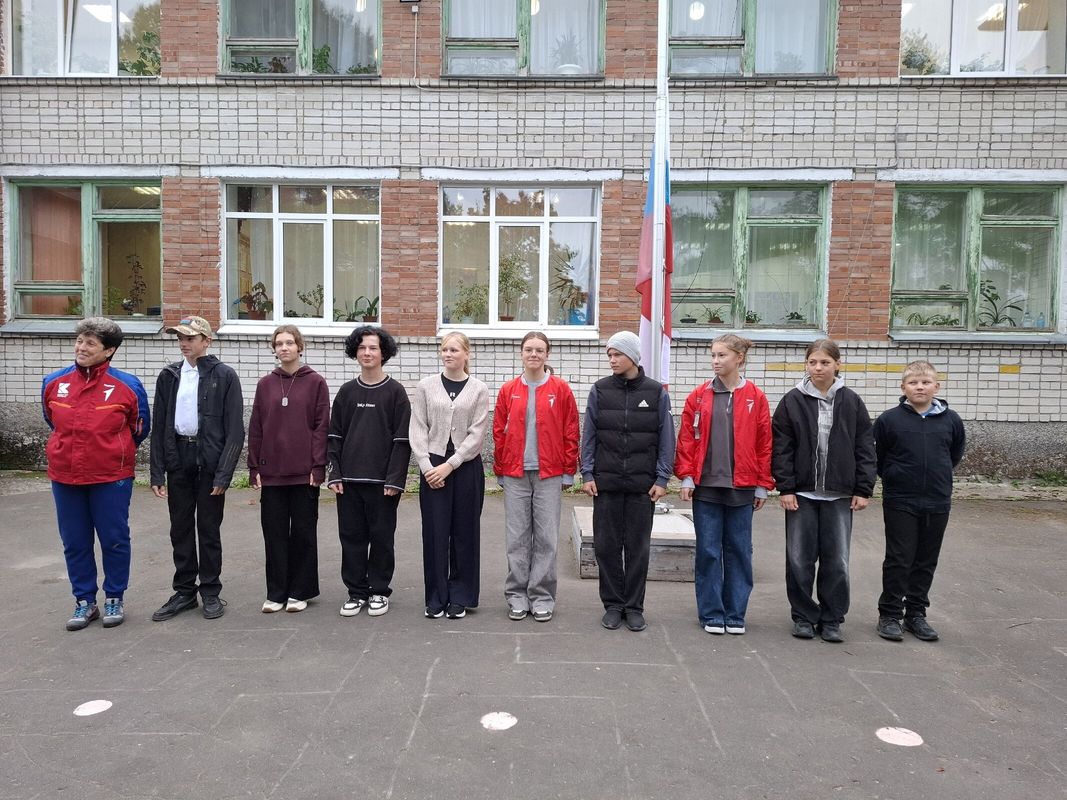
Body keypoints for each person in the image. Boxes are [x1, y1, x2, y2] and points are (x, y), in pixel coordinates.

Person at [42, 318, 150, 631]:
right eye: (80, 341)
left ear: (109, 350)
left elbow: (139, 428)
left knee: (114, 539)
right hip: (66, 476)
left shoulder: (127, 386)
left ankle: (114, 596)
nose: (82, 347)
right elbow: (51, 420)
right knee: (74, 541)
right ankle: (84, 601)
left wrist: (111, 450)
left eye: (90, 343)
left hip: (110, 477)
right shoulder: (54, 382)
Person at [771, 339, 876, 643]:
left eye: (825, 362)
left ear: (837, 365)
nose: (818, 368)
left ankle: (831, 619)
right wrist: (786, 487)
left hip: (839, 495)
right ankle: (804, 616)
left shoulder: (851, 401)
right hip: (802, 494)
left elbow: (865, 447)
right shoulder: (792, 401)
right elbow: (782, 448)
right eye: (813, 362)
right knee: (799, 559)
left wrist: (863, 488)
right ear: (806, 364)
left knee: (837, 561)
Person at [675, 333, 773, 636]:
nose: (715, 361)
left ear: (739, 358)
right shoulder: (699, 396)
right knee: (708, 552)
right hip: (706, 487)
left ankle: (735, 613)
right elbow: (686, 440)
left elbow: (765, 444)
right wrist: (687, 476)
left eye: (722, 355)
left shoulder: (756, 397)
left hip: (742, 487)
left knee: (739, 551)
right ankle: (712, 613)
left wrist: (762, 484)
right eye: (713, 355)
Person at [150, 316, 244, 621]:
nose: (184, 343)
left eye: (190, 338)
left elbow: (235, 430)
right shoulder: (169, 375)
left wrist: (224, 473)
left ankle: (211, 591)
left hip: (209, 462)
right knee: (180, 528)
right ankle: (184, 591)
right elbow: (160, 424)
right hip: (179, 457)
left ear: (207, 341)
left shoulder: (224, 375)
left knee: (208, 527)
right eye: (180, 338)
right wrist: (157, 471)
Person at [580, 331, 675, 633]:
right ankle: (613, 605)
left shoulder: (656, 392)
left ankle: (634, 607)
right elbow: (589, 434)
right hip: (606, 484)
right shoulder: (600, 390)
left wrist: (662, 477)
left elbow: (666, 438)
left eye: (617, 354)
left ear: (633, 356)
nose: (612, 360)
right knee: (606, 548)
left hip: (641, 486)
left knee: (637, 549)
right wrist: (587, 473)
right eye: (609, 354)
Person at [875, 360, 966, 643]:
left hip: (937, 500)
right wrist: (895, 476)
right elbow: (879, 458)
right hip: (900, 500)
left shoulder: (951, 420)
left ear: (936, 387)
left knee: (926, 560)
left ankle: (916, 614)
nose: (920, 387)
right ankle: (890, 614)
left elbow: (954, 454)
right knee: (899, 559)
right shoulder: (889, 420)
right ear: (903, 387)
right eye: (913, 382)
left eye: (925, 382)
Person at [493, 331, 579, 622]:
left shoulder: (561, 389)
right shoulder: (508, 390)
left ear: (547, 354)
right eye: (528, 349)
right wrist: (500, 469)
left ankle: (542, 596)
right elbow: (498, 432)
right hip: (515, 474)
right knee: (517, 538)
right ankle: (517, 595)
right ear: (521, 353)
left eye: (539, 350)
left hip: (549, 474)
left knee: (546, 538)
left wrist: (568, 470)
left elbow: (571, 430)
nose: (533, 354)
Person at [327, 325, 411, 618]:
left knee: (382, 538)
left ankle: (378, 591)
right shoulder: (347, 392)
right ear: (355, 352)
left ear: (383, 352)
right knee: (351, 538)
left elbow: (402, 440)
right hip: (348, 482)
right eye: (362, 347)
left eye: (373, 347)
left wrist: (395, 479)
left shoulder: (395, 392)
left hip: (383, 483)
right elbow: (334, 436)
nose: (367, 353)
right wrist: (334, 473)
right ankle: (356, 592)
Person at [248, 325, 330, 614]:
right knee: (274, 534)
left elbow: (321, 427)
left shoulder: (315, 382)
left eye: (289, 343)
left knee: (303, 534)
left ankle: (300, 591)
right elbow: (256, 427)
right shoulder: (265, 384)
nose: (284, 348)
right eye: (279, 343)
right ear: (274, 349)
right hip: (272, 473)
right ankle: (276, 592)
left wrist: (318, 466)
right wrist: (254, 466)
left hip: (304, 473)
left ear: (299, 347)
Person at [409, 332, 490, 619]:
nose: (448, 354)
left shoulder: (479, 389)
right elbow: (418, 427)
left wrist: (451, 464)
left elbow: (477, 434)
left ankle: (460, 596)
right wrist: (426, 466)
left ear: (467, 354)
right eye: (444, 349)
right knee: (435, 533)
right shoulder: (426, 386)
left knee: (465, 533)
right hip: (432, 467)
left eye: (454, 350)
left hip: (465, 467)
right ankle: (436, 596)